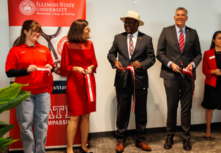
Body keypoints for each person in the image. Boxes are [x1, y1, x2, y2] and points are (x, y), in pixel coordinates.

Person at [107, 11, 155, 153]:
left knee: (141, 111)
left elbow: (151, 58)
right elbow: (111, 53)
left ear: (137, 24)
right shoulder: (118, 37)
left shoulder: (146, 39)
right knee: (122, 111)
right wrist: (114, 61)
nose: (126, 25)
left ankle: (140, 139)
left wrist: (142, 64)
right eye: (125, 22)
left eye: (129, 22)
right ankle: (120, 139)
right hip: (122, 79)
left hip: (140, 80)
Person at [5, 20, 54, 153]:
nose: (37, 34)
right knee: (25, 125)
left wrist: (51, 67)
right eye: (34, 31)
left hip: (43, 92)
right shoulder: (15, 50)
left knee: (42, 124)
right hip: (24, 93)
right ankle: (29, 151)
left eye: (39, 31)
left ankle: (40, 151)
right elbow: (9, 72)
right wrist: (25, 70)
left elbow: (52, 66)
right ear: (25, 31)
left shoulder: (44, 49)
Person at [156, 7, 202, 151]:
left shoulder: (193, 33)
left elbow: (198, 54)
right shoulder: (166, 31)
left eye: (183, 15)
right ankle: (169, 137)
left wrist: (193, 64)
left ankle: (186, 138)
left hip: (187, 75)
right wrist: (170, 64)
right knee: (171, 108)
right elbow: (160, 53)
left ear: (186, 18)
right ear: (174, 17)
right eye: (178, 15)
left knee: (186, 109)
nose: (180, 17)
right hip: (170, 75)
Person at [60, 19, 98, 153]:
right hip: (74, 83)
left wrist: (91, 67)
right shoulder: (67, 45)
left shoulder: (90, 44)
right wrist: (75, 68)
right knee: (75, 116)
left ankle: (83, 145)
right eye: (87, 28)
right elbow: (64, 66)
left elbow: (94, 62)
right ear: (79, 30)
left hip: (88, 81)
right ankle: (69, 148)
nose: (89, 30)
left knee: (86, 115)